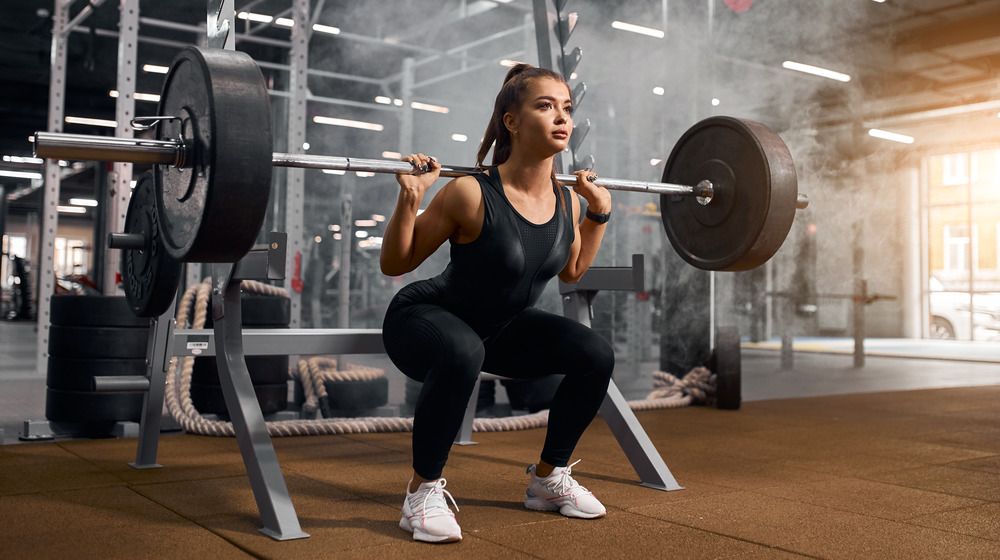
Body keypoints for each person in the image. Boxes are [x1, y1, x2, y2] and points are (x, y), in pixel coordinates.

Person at [380, 63, 614, 544]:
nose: (561, 117)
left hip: (498, 330)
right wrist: (411, 199)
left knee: (595, 355)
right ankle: (421, 493)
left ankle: (548, 479)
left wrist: (599, 212)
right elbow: (396, 262)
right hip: (424, 319)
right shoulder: (470, 192)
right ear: (512, 120)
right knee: (463, 350)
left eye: (566, 108)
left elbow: (571, 271)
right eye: (545, 105)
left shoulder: (566, 201)